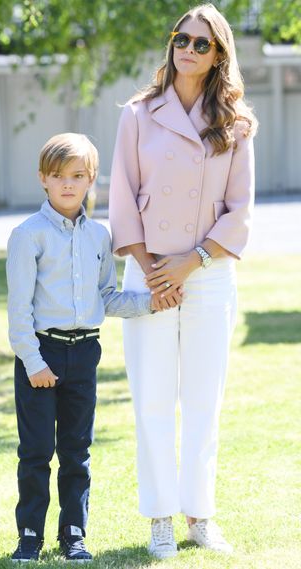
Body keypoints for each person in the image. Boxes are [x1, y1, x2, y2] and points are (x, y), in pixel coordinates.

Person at [109, 2, 257, 560]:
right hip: (147, 273)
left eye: (202, 43)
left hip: (208, 272)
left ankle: (200, 515)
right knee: (151, 400)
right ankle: (160, 520)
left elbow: (239, 210)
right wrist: (153, 273)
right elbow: (122, 200)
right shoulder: (137, 114)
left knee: (202, 401)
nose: (188, 49)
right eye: (182, 38)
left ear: (219, 55)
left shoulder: (237, 123)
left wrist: (191, 261)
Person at [6, 132, 177, 563]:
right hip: (41, 355)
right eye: (59, 175)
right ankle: (30, 535)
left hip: (85, 354)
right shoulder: (28, 236)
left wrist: (152, 302)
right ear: (43, 179)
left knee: (77, 453)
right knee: (37, 451)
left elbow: (108, 298)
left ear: (91, 180)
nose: (68, 184)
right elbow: (18, 310)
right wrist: (32, 361)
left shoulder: (99, 237)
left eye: (78, 176)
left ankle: (74, 534)